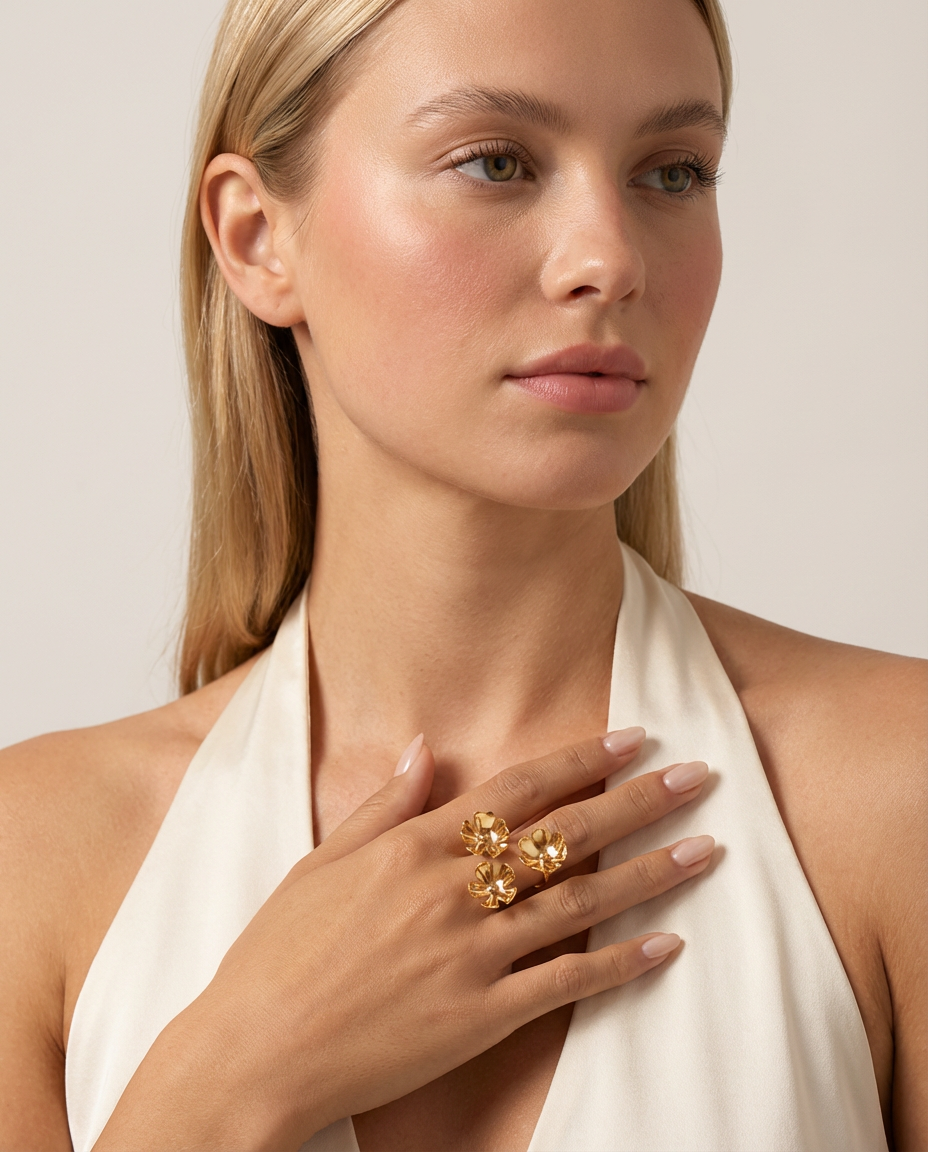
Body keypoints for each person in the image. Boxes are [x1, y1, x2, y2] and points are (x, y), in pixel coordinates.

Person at [1, 0, 924, 1148]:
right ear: (256, 237)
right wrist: (234, 1072)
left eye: (672, 172)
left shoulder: (895, 796)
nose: (609, 260)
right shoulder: (32, 860)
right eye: (496, 161)